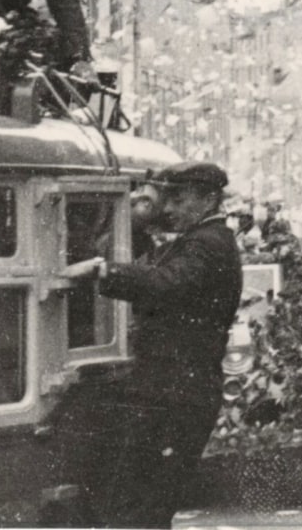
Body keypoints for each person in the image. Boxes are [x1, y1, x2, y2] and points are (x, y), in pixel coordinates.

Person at [65, 161, 242, 529]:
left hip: (177, 395)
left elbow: (166, 283)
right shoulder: (201, 239)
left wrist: (103, 270)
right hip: (174, 391)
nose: (169, 208)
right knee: (143, 506)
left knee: (142, 509)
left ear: (209, 199)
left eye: (178, 198)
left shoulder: (208, 244)